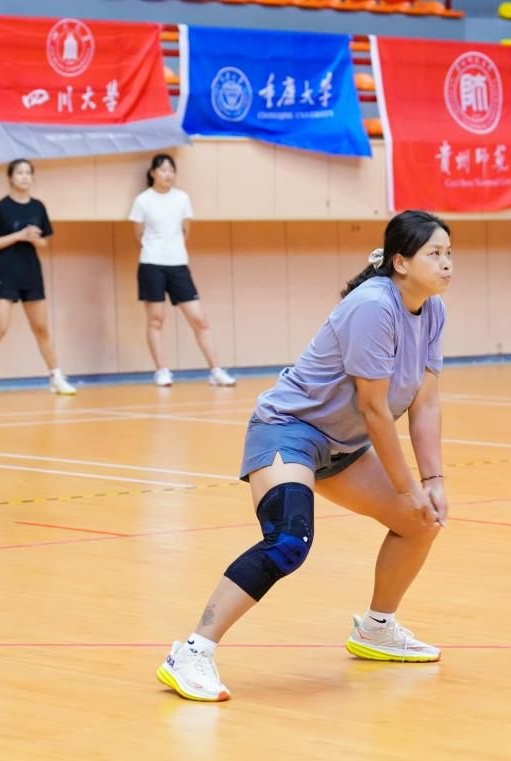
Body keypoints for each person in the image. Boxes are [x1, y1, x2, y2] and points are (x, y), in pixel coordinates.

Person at [156, 210, 452, 702]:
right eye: (434, 253)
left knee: (421, 522)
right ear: (400, 261)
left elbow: (426, 403)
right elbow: (375, 410)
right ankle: (192, 652)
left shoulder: (433, 311)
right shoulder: (373, 306)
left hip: (341, 447)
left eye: (448, 253)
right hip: (288, 431)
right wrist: (407, 487)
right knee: (288, 540)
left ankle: (377, 628)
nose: (446, 264)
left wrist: (433, 480)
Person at [0, 159, 76, 399]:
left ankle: (56, 377)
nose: (24, 177)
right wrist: (18, 235)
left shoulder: (38, 207)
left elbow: (44, 243)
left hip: (31, 274)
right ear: (10, 178)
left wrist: (34, 239)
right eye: (19, 173)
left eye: (28, 173)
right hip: (6, 275)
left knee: (42, 329)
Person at [129, 154, 235, 388]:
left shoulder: (182, 198)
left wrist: (174, 251)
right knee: (156, 320)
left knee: (199, 320)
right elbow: (137, 236)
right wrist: (155, 252)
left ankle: (215, 371)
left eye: (171, 170)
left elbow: (186, 231)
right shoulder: (142, 200)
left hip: (178, 265)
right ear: (152, 173)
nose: (168, 174)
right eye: (163, 170)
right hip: (151, 264)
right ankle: (162, 371)